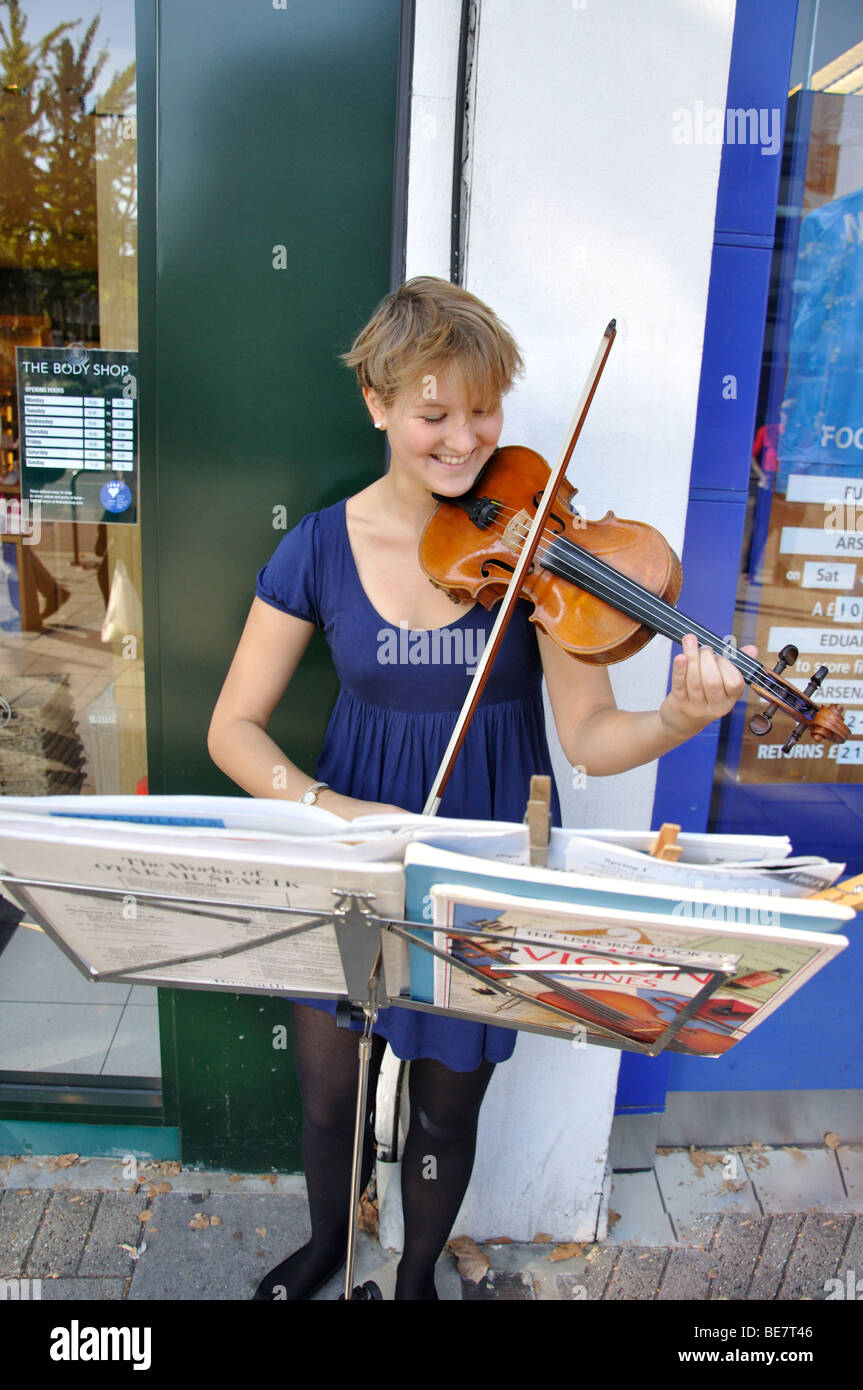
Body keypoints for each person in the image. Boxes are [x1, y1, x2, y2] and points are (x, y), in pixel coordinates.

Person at [207, 276, 752, 1300]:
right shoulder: (318, 547)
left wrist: (679, 717)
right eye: (432, 413)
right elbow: (231, 729)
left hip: (482, 857)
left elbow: (588, 736)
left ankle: (414, 1276)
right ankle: (330, 1247)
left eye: (483, 409)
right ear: (375, 403)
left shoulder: (540, 551)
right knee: (332, 1097)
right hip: (353, 853)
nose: (464, 439)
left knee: (446, 1106)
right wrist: (330, 806)